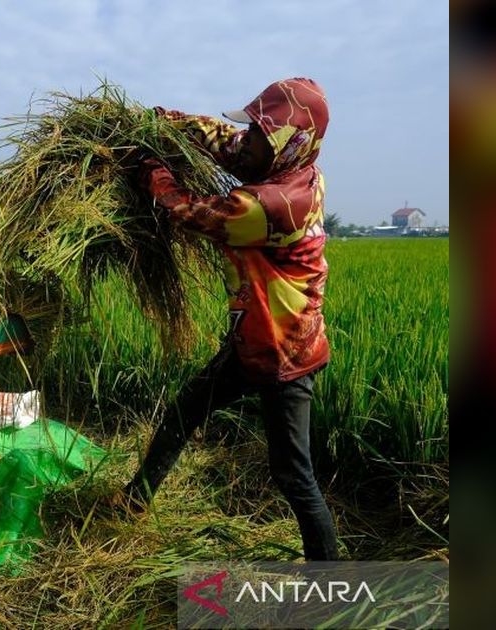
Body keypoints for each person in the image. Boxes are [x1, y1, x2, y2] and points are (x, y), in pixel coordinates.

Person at [120, 78, 340, 560]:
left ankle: (329, 582)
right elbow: (228, 141)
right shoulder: (297, 167)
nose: (249, 141)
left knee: (294, 475)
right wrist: (167, 120)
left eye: (262, 134)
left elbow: (189, 211)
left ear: (289, 142)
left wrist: (151, 171)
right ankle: (133, 501)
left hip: (285, 357)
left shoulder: (272, 205)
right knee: (184, 412)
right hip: (251, 342)